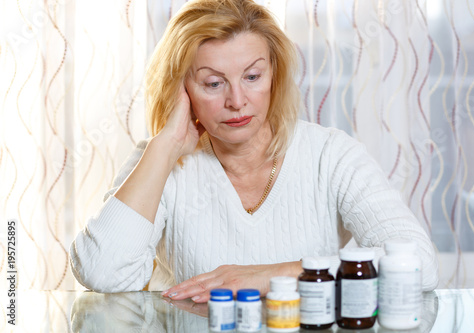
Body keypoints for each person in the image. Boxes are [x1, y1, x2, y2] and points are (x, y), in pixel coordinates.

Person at [70, 0, 439, 303]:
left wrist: (271, 274)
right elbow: (103, 273)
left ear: (274, 76)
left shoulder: (331, 155)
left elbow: (418, 263)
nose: (236, 101)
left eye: (252, 77)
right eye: (213, 83)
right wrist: (165, 147)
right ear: (183, 90)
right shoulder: (160, 160)